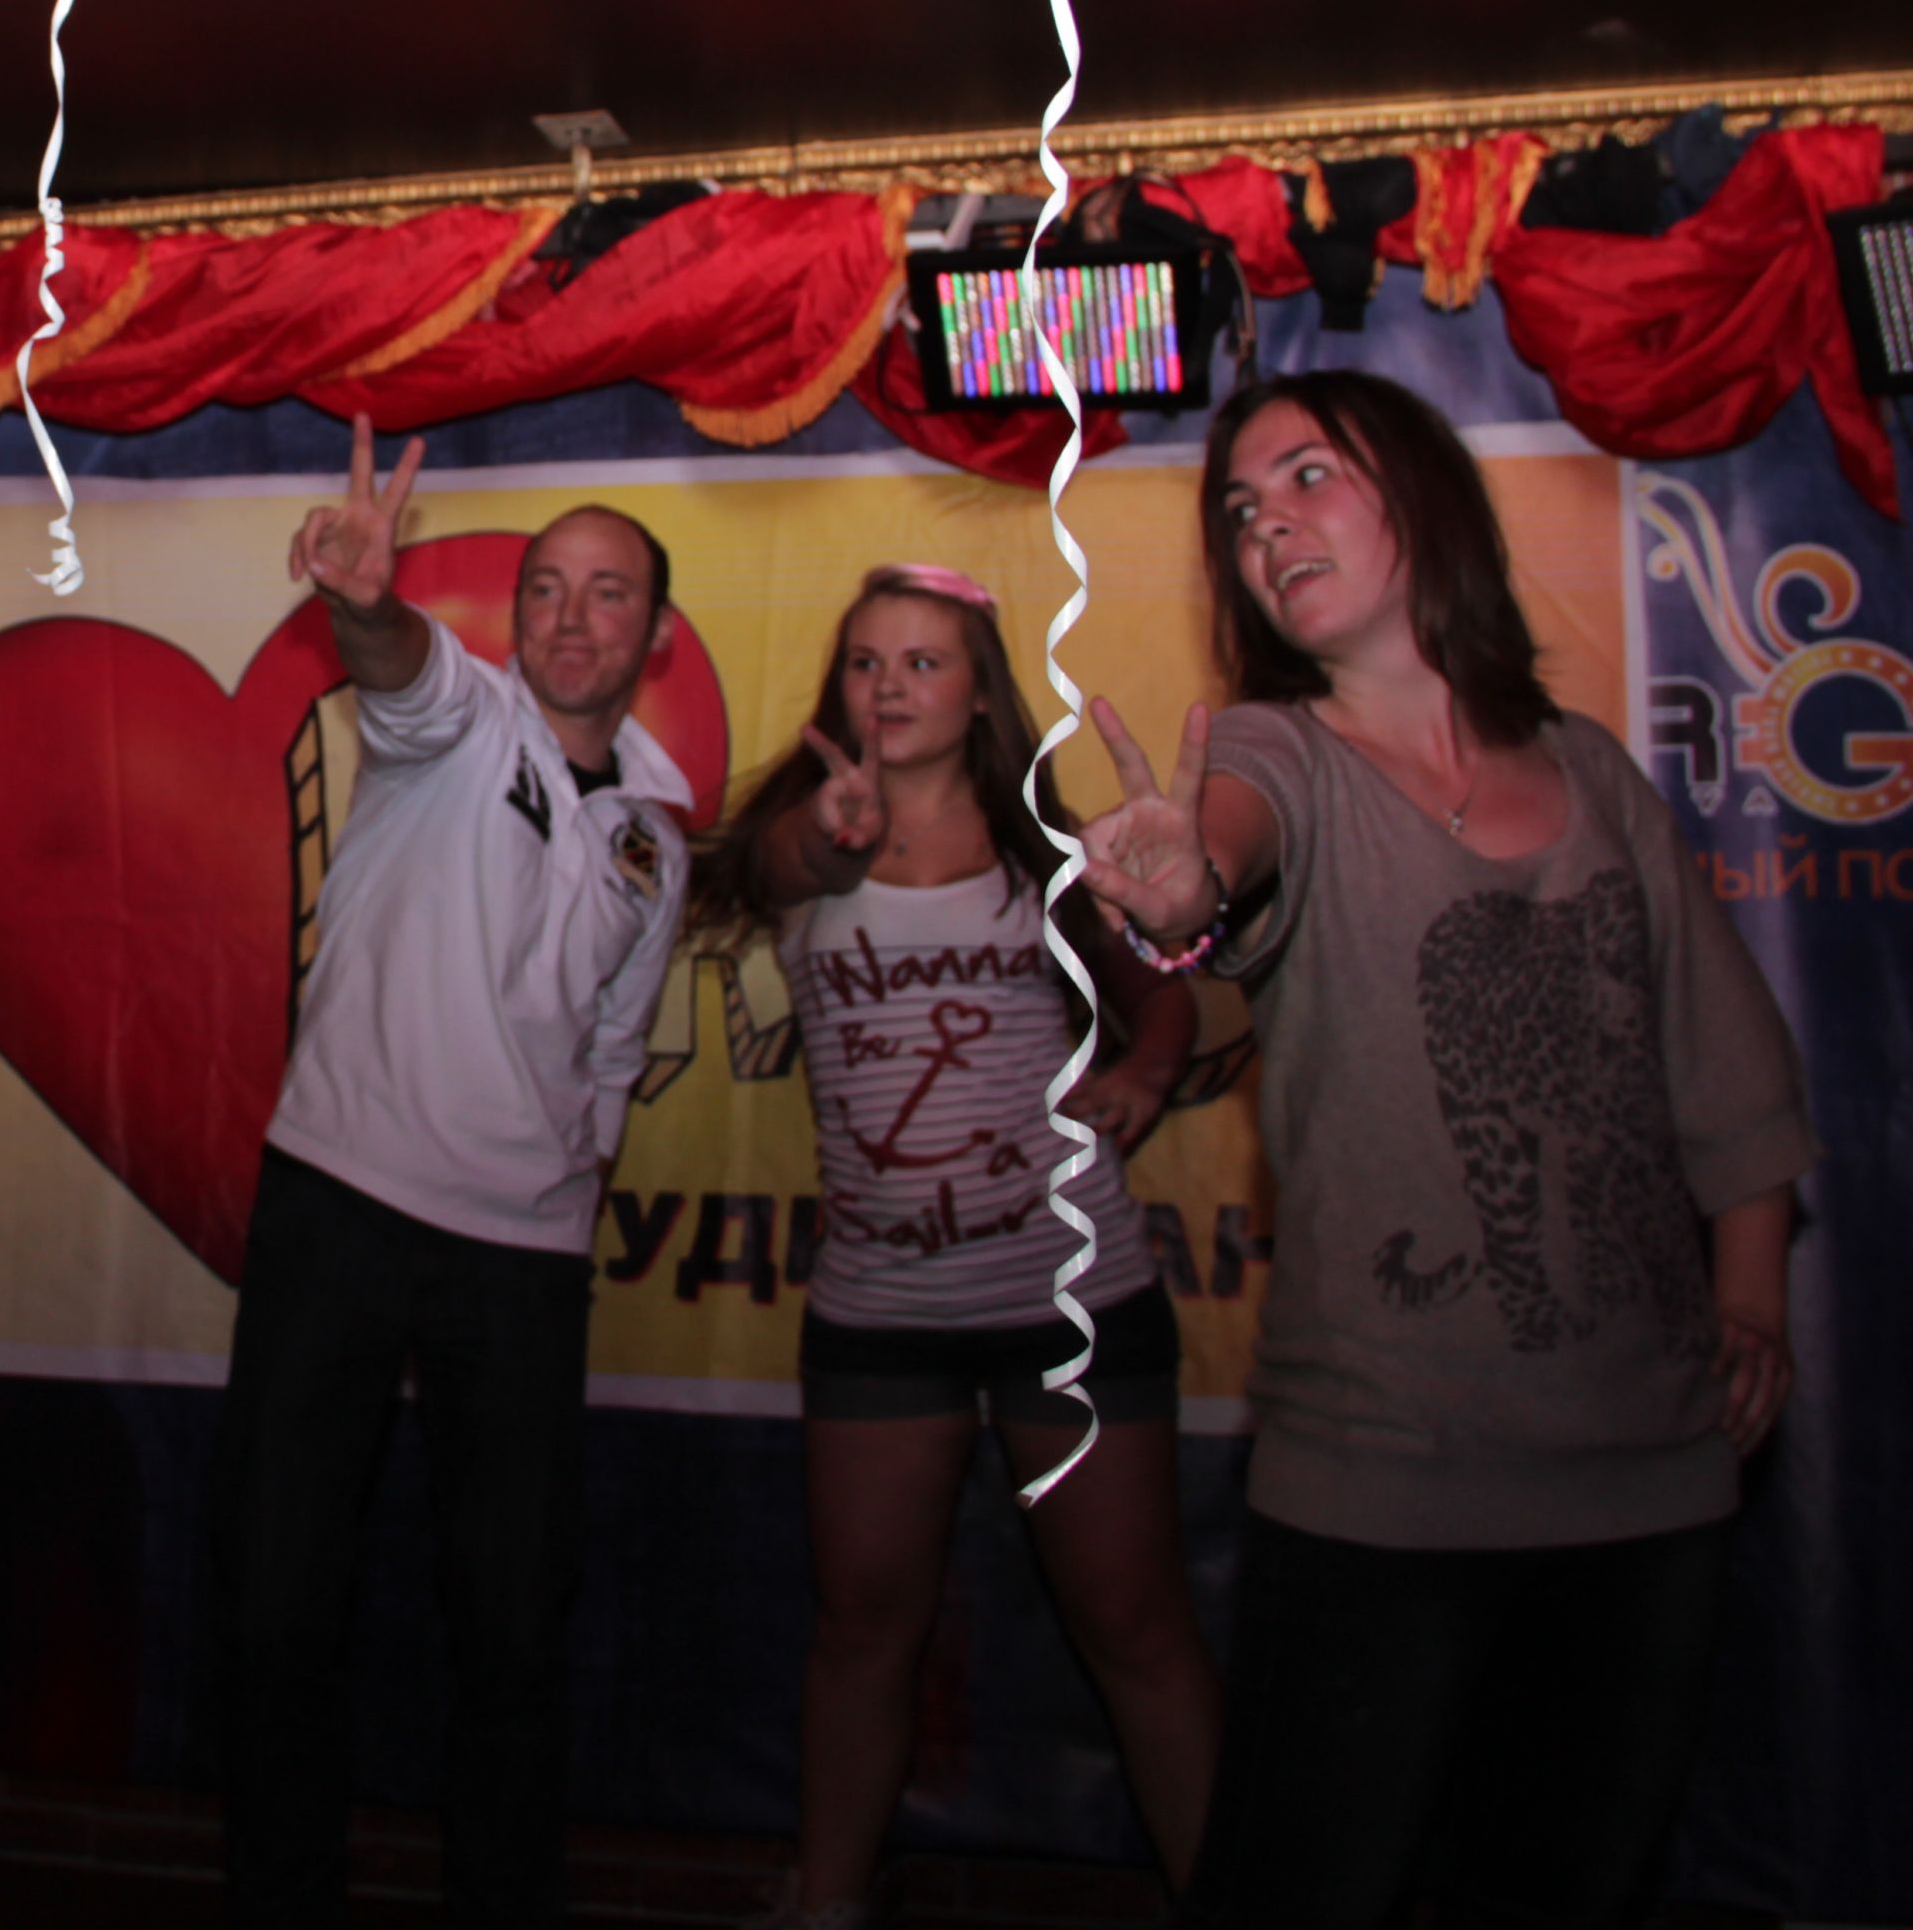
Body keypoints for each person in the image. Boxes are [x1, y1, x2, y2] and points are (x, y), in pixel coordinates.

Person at [1073, 371, 1816, 1930]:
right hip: (1383, 1486)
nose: (1267, 525)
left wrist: (1750, 1294)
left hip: (1651, 1483)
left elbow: (1728, 1069)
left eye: (1307, 477)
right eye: (1240, 508)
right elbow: (1226, 848)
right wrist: (1185, 888)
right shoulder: (1281, 751)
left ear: (1424, 494)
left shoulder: (1593, 772)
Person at [211, 417, 693, 1929]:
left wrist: (567, 1185)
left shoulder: (662, 833)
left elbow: (613, 1047)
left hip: (523, 1260)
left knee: (514, 1627)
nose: (569, 615)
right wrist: (365, 600)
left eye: (607, 592)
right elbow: (398, 665)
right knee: (278, 1601)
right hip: (338, 1206)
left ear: (656, 635)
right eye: (546, 586)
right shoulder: (461, 716)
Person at [683, 564, 1216, 1928]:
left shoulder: (1048, 849)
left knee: (1138, 1631)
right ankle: (829, 1902)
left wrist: (1146, 1074)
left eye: (923, 662)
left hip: (1072, 1302)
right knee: (863, 1631)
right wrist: (832, 840)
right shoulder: (804, 831)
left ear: (981, 692)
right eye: (866, 662)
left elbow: (1168, 988)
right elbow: (774, 871)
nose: (891, 686)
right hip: (880, 1313)